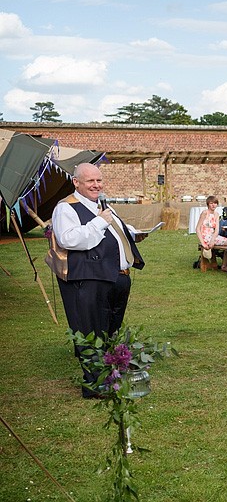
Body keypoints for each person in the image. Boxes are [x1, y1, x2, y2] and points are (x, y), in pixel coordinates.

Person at [51, 163, 145, 398]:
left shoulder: (101, 205)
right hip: (90, 279)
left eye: (99, 180)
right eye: (90, 181)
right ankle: (94, 385)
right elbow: (68, 240)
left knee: (110, 328)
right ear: (76, 182)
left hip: (116, 276)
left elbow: (114, 231)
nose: (96, 185)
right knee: (90, 330)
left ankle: (109, 373)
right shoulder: (66, 208)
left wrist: (133, 233)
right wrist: (100, 221)